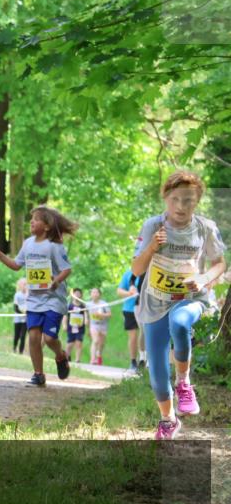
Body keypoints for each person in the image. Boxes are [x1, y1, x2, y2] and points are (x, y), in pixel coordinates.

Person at [131, 171, 226, 440]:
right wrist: (151, 247)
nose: (181, 206)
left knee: (180, 322)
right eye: (175, 199)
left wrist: (204, 277)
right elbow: (137, 269)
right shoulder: (153, 225)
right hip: (155, 303)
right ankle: (168, 420)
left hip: (191, 299)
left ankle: (184, 382)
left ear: (197, 201)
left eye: (189, 200)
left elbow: (220, 263)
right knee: (157, 378)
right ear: (166, 198)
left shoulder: (206, 227)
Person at [0, 206, 77, 386]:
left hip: (53, 299)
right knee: (33, 337)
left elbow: (67, 269)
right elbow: (17, 265)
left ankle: (60, 355)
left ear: (47, 226)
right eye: (31, 219)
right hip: (33, 299)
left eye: (37, 219)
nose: (31, 221)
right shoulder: (28, 243)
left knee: (49, 338)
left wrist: (56, 281)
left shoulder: (54, 246)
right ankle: (38, 374)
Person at [117, 269, 145, 374]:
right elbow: (119, 290)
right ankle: (133, 361)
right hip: (129, 309)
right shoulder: (128, 274)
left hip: (145, 308)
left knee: (144, 334)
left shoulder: (149, 271)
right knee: (133, 336)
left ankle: (144, 359)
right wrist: (129, 293)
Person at [87, 287, 111, 365]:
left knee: (101, 343)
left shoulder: (104, 304)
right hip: (94, 325)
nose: (94, 294)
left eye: (96, 292)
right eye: (93, 292)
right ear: (90, 294)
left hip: (103, 325)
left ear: (99, 294)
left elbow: (109, 314)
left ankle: (99, 354)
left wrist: (101, 315)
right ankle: (92, 359)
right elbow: (84, 313)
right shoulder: (88, 304)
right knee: (95, 341)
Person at [66, 287, 87, 362]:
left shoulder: (83, 306)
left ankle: (78, 359)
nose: (77, 295)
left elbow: (85, 314)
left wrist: (86, 321)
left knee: (79, 342)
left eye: (79, 293)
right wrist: (64, 325)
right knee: (70, 343)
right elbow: (65, 316)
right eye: (76, 293)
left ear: (81, 295)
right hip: (71, 327)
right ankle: (67, 357)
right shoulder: (69, 306)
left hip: (80, 327)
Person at [12, 277, 28, 354]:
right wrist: (22, 312)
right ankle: (14, 348)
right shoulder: (17, 295)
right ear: (20, 285)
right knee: (17, 335)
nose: (25, 286)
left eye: (26, 284)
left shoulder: (29, 295)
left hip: (26, 320)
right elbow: (15, 308)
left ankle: (21, 351)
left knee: (23, 336)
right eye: (24, 284)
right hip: (18, 319)